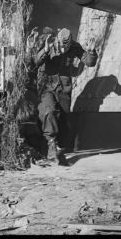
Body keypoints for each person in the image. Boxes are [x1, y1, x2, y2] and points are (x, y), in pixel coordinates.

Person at [29, 27, 98, 163]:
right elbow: (35, 62)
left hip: (64, 88)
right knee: (48, 111)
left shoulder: (75, 47)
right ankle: (50, 144)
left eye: (67, 46)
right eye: (62, 46)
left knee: (64, 120)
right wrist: (46, 50)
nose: (64, 49)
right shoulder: (48, 43)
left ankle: (59, 150)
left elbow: (89, 62)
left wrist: (91, 51)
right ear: (58, 42)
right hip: (46, 86)